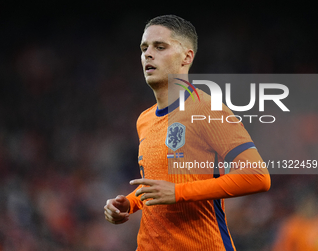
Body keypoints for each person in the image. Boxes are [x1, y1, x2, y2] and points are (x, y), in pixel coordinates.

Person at [104, 14, 271, 251]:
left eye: (160, 47)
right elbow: (162, 184)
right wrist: (129, 203)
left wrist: (179, 192)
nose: (147, 54)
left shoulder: (207, 110)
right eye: (144, 48)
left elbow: (257, 176)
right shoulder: (145, 119)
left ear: (187, 57)